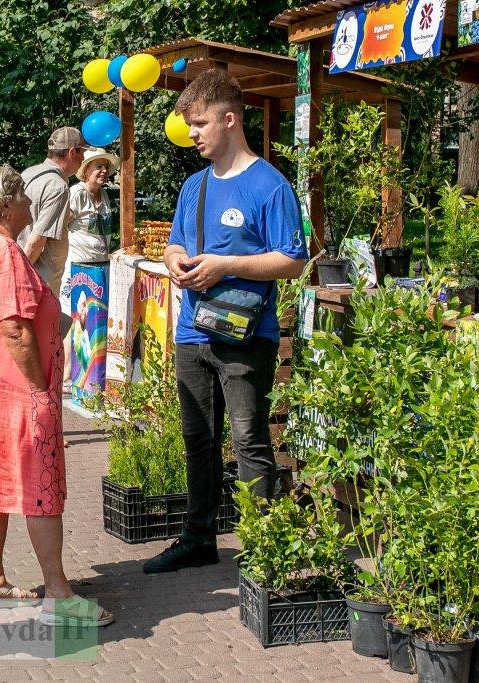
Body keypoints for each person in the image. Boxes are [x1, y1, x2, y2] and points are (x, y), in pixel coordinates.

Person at [145, 69, 308, 575]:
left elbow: (293, 260)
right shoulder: (193, 185)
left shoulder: (270, 186)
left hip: (245, 335)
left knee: (250, 440)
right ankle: (199, 538)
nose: (191, 134)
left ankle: (266, 547)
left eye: (199, 123)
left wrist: (226, 265)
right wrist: (175, 259)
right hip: (193, 331)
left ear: (229, 119)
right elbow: (175, 241)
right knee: (197, 439)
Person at [0, 165, 114, 628]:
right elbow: (14, 328)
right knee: (40, 488)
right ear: (4, 204)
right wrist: (39, 388)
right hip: (11, 389)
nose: (30, 203)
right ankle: (58, 594)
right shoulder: (2, 251)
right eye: (22, 195)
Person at [59, 147, 117, 390]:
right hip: (77, 266)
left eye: (105, 167)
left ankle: (90, 375)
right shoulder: (76, 193)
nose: (103, 172)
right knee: (73, 319)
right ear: (85, 171)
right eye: (98, 167)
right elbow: (62, 226)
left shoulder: (104, 195)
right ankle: (65, 375)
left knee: (94, 320)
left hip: (100, 265)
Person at [17, 127, 86, 298]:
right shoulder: (58, 187)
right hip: (39, 280)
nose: (83, 158)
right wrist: (19, 277)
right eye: (82, 153)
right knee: (43, 325)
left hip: (20, 266)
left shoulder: (29, 174)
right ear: (72, 153)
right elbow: (36, 241)